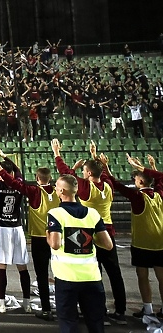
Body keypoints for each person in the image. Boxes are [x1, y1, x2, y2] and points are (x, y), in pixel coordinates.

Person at [55, 139, 127, 324]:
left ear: (87, 173)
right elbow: (103, 175)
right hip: (109, 231)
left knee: (96, 273)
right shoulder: (108, 185)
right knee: (115, 273)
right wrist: (95, 157)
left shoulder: (87, 188)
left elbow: (67, 177)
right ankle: (120, 311)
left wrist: (57, 154)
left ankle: (99, 312)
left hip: (92, 233)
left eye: (85, 171)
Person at [0, 155, 59, 320]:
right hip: (19, 228)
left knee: (2, 265)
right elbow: (17, 173)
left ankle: (1, 303)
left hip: (3, 228)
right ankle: (27, 303)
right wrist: (5, 158)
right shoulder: (23, 185)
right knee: (23, 267)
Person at [47, 174, 114, 333]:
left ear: (62, 191)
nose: (55, 188)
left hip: (67, 277)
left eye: (56, 186)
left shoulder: (56, 213)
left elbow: (55, 244)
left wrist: (48, 235)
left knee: (69, 322)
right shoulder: (93, 213)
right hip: (92, 277)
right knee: (95, 323)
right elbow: (108, 244)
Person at [102, 153, 163, 319]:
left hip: (142, 243)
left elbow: (115, 183)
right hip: (160, 243)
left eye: (136, 178)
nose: (135, 181)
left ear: (141, 182)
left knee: (143, 276)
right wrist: (150, 167)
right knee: (161, 277)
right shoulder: (159, 194)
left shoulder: (138, 197)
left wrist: (106, 167)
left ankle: (148, 309)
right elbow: (160, 179)